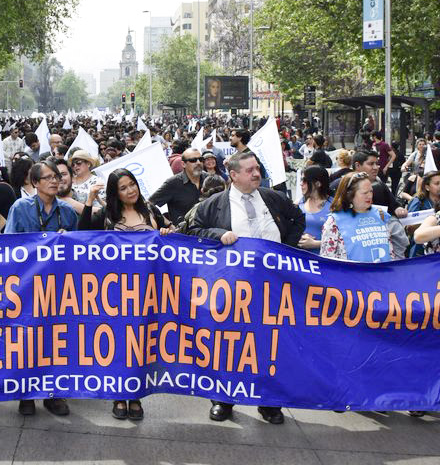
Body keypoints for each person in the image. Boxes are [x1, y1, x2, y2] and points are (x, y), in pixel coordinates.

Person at [185, 151, 304, 426]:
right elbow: (193, 231)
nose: (256, 173)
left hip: (272, 286)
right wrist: (218, 236)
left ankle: (269, 402)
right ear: (234, 175)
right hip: (233, 288)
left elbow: (297, 218)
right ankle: (223, 399)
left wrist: (287, 248)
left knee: (270, 344)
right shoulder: (215, 204)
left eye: (257, 168)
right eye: (249, 170)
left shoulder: (273, 198)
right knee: (230, 344)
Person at [80, 168, 172, 422]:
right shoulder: (107, 216)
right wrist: (89, 200)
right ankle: (119, 394)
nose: (130, 190)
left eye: (132, 184)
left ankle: (135, 395)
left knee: (140, 344)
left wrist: (166, 233)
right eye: (123, 187)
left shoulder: (151, 211)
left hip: (148, 292)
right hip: (116, 293)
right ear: (115, 193)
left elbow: (171, 233)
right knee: (119, 343)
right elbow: (82, 234)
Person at [3, 162, 74, 417]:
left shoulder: (66, 212)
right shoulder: (20, 208)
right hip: (27, 287)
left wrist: (67, 240)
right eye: (48, 178)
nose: (54, 181)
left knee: (56, 340)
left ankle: (54, 394)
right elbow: (10, 244)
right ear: (34, 183)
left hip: (58, 287)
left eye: (56, 177)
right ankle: (26, 394)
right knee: (27, 339)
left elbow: (77, 253)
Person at [320, 173, 396, 263]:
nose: (370, 196)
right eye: (364, 193)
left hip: (381, 274)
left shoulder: (380, 214)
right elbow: (327, 260)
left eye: (371, 191)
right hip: (352, 275)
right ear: (350, 195)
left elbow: (389, 250)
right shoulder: (334, 222)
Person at [148, 148, 205, 225]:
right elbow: (149, 204)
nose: (198, 163)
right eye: (193, 160)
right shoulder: (173, 183)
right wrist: (167, 224)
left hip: (208, 233)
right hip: (183, 235)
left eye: (201, 159)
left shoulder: (209, 179)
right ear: (183, 164)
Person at [297, 165, 331, 251]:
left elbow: (344, 239)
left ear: (318, 184)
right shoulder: (299, 203)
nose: (301, 184)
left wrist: (316, 244)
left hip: (324, 260)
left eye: (305, 180)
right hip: (301, 259)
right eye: (301, 180)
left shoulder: (334, 206)